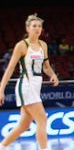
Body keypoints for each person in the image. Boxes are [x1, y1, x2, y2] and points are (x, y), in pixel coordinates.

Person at [0, 14, 59, 150]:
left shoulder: (43, 45)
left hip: (35, 87)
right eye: (34, 26)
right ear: (27, 28)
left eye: (39, 26)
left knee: (24, 125)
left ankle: (2, 146)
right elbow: (10, 69)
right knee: (42, 119)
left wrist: (53, 75)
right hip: (26, 86)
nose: (37, 28)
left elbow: (46, 67)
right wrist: (1, 89)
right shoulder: (21, 45)